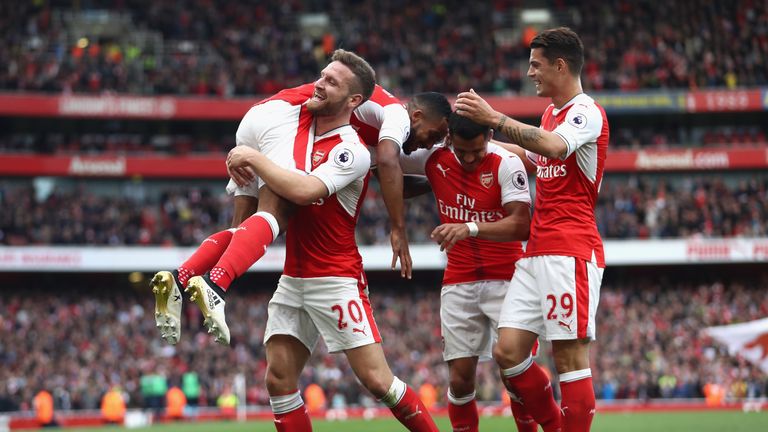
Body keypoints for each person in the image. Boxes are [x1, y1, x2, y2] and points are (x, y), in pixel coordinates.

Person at [151, 66, 450, 346]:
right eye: (433, 135)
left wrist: (436, 183)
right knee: (277, 213)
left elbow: (389, 176)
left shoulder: (370, 136)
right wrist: (398, 229)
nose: (429, 143)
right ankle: (215, 286)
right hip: (288, 119)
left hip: (256, 120)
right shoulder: (397, 116)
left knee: (243, 228)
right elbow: (387, 163)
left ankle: (180, 277)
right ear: (418, 116)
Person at [225, 96, 439, 431]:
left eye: (329, 85)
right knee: (278, 380)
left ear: (349, 102)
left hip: (335, 277)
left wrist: (252, 158)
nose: (318, 89)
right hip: (293, 277)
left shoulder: (352, 149)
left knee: (378, 381)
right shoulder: (293, 140)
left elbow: (304, 191)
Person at [455, 27, 609, 432]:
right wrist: (476, 144)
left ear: (560, 65)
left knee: (569, 359)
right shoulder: (549, 115)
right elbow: (536, 153)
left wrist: (495, 118)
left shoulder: (585, 111)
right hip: (537, 250)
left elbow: (555, 147)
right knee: (507, 352)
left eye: (536, 65)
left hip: (570, 249)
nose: (530, 73)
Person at [399, 112, 536, 432]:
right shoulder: (435, 157)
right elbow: (387, 165)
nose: (471, 158)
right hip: (459, 279)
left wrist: (470, 227)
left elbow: (522, 224)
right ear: (449, 140)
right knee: (460, 380)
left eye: (478, 150)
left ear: (489, 136)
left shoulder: (505, 162)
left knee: (514, 372)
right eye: (463, 152)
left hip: (508, 276)